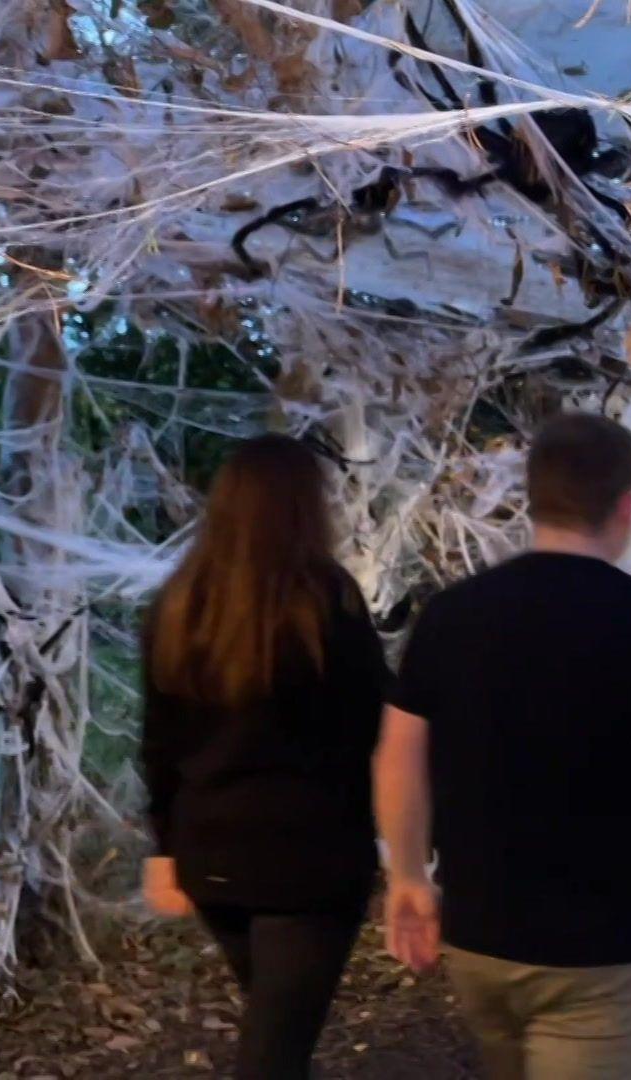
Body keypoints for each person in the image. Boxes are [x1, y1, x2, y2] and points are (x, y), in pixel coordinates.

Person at [374, 412, 631, 1080]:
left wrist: (410, 877)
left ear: (534, 501)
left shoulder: (451, 615)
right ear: (626, 505)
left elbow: (398, 755)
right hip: (602, 951)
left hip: (480, 938)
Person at [140, 434, 390, 1080]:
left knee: (277, 1026)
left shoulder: (177, 605)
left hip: (212, 857)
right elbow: (372, 724)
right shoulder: (326, 602)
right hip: (309, 865)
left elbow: (160, 744)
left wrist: (164, 848)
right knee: (274, 1051)